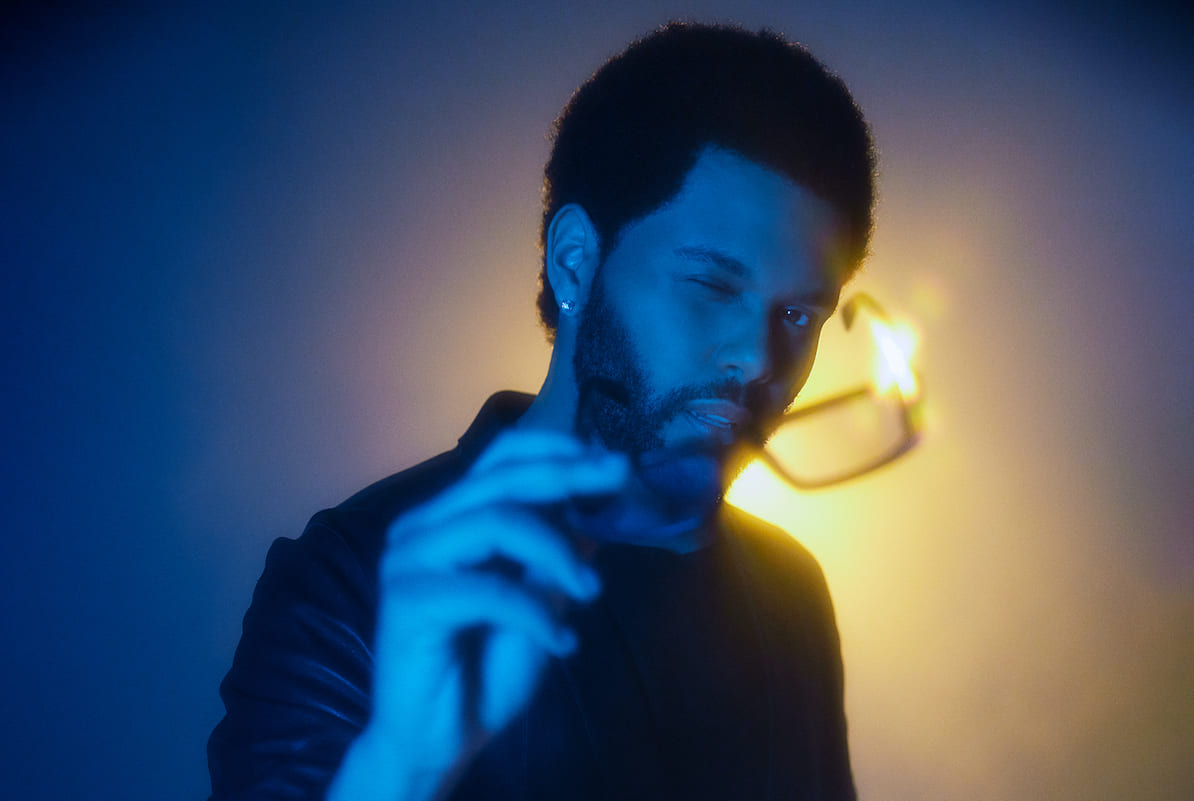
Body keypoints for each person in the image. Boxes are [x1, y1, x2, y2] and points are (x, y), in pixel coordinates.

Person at [208, 21, 875, 801]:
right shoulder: (351, 582)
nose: (759, 357)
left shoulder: (791, 591)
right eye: (711, 285)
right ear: (575, 261)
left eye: (798, 315)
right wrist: (401, 765)